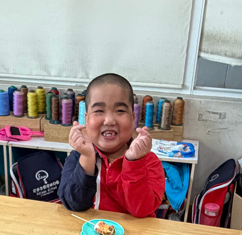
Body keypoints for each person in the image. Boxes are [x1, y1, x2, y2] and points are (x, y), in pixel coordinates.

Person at [57, 73, 166, 217]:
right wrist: (87, 158)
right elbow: (74, 205)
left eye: (120, 111)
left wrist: (134, 163)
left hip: (135, 232)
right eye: (99, 111)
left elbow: (141, 210)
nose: (109, 120)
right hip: (90, 229)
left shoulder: (149, 161)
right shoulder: (78, 157)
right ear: (86, 119)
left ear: (133, 118)